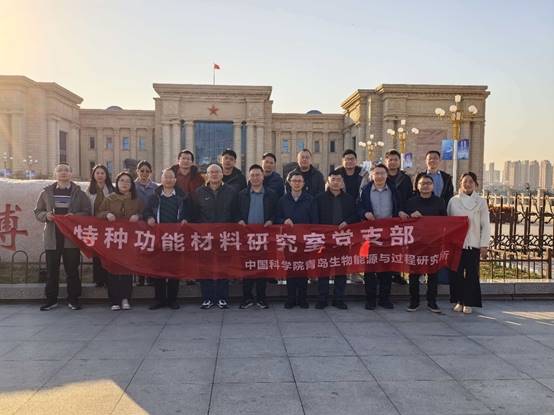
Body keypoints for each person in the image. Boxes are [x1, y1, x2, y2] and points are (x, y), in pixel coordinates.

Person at [34, 163, 91, 311]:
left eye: (66, 170)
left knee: (72, 270)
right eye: (60, 170)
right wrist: (46, 215)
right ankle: (51, 300)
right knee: (52, 271)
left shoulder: (79, 193)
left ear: (71, 174)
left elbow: (87, 212)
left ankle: (73, 299)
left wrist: (75, 216)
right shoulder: (46, 192)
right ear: (55, 174)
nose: (63, 172)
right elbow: (38, 212)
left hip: (71, 237)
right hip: (52, 236)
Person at [358, 163, 408, 310]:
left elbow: (399, 206)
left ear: (386, 175)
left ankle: (384, 298)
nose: (379, 176)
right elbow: (358, 207)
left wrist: (400, 212)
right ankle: (370, 299)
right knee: (370, 267)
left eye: (382, 173)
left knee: (387, 266)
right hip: (371, 234)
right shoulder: (365, 191)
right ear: (372, 176)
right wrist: (364, 213)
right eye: (376, 173)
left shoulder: (393, 190)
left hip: (389, 234)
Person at [144, 168, 192, 310]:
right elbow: (146, 211)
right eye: (166, 177)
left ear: (175, 180)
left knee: (174, 269)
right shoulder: (154, 196)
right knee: (158, 269)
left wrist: (185, 219)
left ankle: (172, 299)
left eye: (171, 177)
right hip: (159, 237)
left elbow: (190, 212)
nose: (169, 180)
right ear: (161, 179)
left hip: (176, 237)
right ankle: (159, 299)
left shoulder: (182, 196)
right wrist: (149, 217)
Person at [194, 163, 239, 309]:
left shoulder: (231, 191)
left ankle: (222, 297)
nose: (214, 174)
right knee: (205, 267)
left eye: (217, 172)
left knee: (223, 267)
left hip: (224, 236)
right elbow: (194, 214)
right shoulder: (199, 192)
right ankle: (207, 298)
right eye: (211, 172)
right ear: (206, 175)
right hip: (205, 237)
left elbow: (235, 212)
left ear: (222, 174)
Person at [97, 171, 144, 311]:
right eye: (121, 181)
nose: (124, 183)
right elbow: (98, 213)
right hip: (112, 239)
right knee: (112, 269)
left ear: (132, 185)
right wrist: (107, 214)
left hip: (129, 239)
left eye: (128, 181)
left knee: (126, 269)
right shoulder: (109, 198)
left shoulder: (136, 200)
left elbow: (144, 213)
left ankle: (125, 298)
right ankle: (114, 300)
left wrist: (138, 216)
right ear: (117, 183)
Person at [314, 171, 359, 309]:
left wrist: (347, 222)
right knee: (323, 270)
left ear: (342, 182)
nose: (335, 182)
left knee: (341, 270)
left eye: (338, 179)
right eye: (333, 179)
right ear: (328, 181)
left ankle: (338, 299)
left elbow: (355, 215)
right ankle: (322, 299)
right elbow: (315, 218)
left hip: (342, 239)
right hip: (325, 240)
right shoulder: (319, 198)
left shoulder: (349, 199)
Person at [447, 172, 490, 314]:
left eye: (471, 181)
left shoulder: (481, 202)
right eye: (465, 181)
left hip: (473, 243)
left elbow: (485, 225)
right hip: (456, 244)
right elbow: (448, 222)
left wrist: (484, 245)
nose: (467, 184)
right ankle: (459, 301)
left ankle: (469, 302)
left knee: (471, 274)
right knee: (456, 273)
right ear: (460, 183)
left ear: (475, 184)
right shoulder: (453, 201)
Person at [238, 164, 278, 309]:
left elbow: (276, 212)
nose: (255, 178)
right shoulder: (242, 194)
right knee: (247, 267)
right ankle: (247, 298)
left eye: (258, 175)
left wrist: (271, 220)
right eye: (252, 175)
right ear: (249, 178)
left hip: (264, 237)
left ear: (262, 177)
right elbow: (235, 211)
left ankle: (261, 298)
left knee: (262, 267)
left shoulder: (271, 194)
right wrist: (239, 220)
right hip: (246, 237)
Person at [404, 174, 447, 313]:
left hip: (433, 242)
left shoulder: (439, 202)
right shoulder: (411, 202)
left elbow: (445, 221)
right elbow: (404, 220)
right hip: (415, 243)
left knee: (433, 273)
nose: (425, 186)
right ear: (417, 186)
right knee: (414, 273)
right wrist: (410, 215)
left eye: (428, 183)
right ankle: (414, 301)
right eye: (422, 183)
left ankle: (432, 301)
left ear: (433, 186)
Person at [275, 171, 318, 308]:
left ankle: (302, 299)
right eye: (294, 181)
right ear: (289, 183)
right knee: (291, 268)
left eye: (299, 181)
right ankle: (291, 298)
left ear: (303, 183)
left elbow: (315, 220)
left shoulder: (310, 199)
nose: (297, 183)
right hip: (289, 240)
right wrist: (284, 220)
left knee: (303, 269)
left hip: (304, 240)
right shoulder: (283, 200)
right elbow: (276, 218)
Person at [384, 149, 414, 286]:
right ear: (386, 161)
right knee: (383, 246)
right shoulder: (381, 176)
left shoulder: (405, 179)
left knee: (397, 246)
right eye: (390, 160)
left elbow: (409, 197)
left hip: (400, 218)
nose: (393, 162)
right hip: (384, 217)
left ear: (399, 161)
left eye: (395, 160)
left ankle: (396, 273)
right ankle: (382, 273)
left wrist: (404, 211)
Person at [86, 164, 114, 288]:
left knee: (108, 253)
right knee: (97, 253)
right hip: (95, 227)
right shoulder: (89, 191)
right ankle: (98, 280)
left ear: (106, 175)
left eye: (102, 173)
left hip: (109, 226)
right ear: (93, 175)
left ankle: (109, 278)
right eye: (97, 173)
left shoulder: (112, 190)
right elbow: (87, 209)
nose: (100, 175)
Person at [134, 160, 158, 286]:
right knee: (139, 249)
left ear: (151, 173)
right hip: (137, 221)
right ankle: (140, 277)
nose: (144, 173)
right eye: (142, 170)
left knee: (151, 249)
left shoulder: (156, 187)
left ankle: (150, 276)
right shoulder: (132, 186)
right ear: (137, 171)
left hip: (151, 221)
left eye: (147, 171)